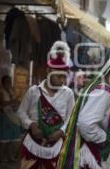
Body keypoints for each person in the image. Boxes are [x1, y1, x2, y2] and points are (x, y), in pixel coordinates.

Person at [57, 44, 110, 169]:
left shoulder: (97, 83)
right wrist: (106, 139)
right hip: (84, 156)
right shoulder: (104, 91)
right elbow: (86, 124)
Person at [17, 41, 75, 169]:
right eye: (59, 76)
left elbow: (71, 119)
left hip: (56, 148)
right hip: (32, 145)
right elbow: (21, 112)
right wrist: (31, 125)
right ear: (48, 70)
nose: (62, 80)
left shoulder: (68, 94)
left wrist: (61, 131)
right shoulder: (33, 91)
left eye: (64, 77)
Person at [0, 75, 22, 162]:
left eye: (9, 81)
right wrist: (13, 101)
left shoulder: (11, 91)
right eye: (6, 81)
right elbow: (3, 103)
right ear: (3, 83)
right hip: (4, 117)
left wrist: (17, 102)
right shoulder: (0, 92)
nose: (8, 83)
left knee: (11, 139)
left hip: (12, 116)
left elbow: (14, 101)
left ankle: (9, 157)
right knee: (3, 140)